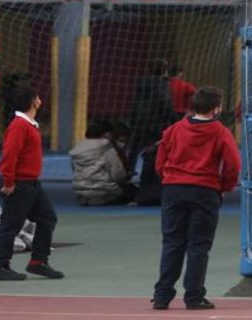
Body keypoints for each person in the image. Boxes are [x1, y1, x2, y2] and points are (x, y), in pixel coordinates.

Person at [152, 86, 241, 311]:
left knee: (172, 242)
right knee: (198, 245)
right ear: (216, 109)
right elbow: (233, 165)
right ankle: (194, 296)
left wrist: (169, 178)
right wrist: (224, 187)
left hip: (173, 190)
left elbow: (160, 160)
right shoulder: (221, 132)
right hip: (205, 191)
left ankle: (162, 296)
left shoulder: (174, 129)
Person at [0, 87, 64, 281]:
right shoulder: (19, 126)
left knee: (47, 218)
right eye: (38, 97)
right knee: (11, 225)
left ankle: (38, 261)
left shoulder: (29, 125)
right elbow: (10, 155)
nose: (40, 100)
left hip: (31, 183)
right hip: (18, 184)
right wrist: (8, 181)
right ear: (33, 101)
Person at [69, 120, 137, 206]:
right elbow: (118, 175)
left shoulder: (76, 150)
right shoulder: (107, 148)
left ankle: (88, 198)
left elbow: (75, 171)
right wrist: (126, 175)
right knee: (133, 191)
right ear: (107, 134)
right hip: (104, 191)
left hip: (80, 191)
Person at [127, 58, 175, 173]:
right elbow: (165, 103)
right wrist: (174, 120)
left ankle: (129, 170)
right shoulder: (162, 83)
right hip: (156, 121)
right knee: (155, 149)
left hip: (139, 118)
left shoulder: (141, 82)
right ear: (165, 70)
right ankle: (150, 174)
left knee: (135, 147)